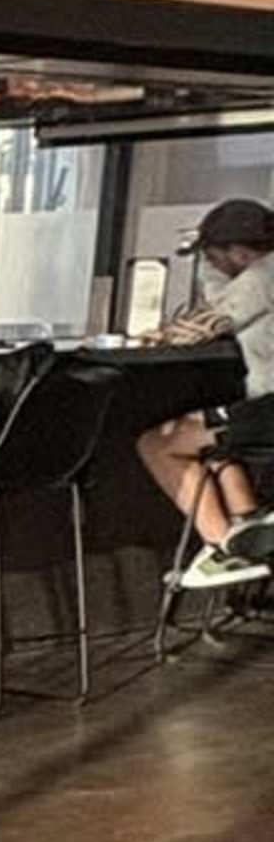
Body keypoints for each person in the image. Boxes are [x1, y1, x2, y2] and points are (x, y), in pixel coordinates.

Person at [139, 197, 274, 582]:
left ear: (240, 251)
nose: (211, 263)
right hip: (259, 414)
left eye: (214, 255)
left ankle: (225, 548)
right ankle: (249, 524)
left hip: (269, 413)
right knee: (210, 433)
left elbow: (197, 328)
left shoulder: (264, 275)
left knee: (157, 444)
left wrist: (157, 334)